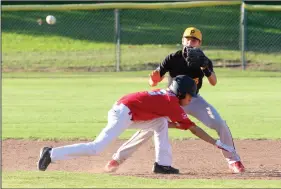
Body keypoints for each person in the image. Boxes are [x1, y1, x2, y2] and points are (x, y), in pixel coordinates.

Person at [107, 27, 245, 174]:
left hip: (194, 99)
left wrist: (206, 67)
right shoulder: (173, 58)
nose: (190, 42)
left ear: (199, 43)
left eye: (194, 40)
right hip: (171, 102)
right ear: (182, 40)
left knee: (219, 123)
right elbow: (154, 80)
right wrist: (152, 80)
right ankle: (117, 159)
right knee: (147, 129)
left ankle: (233, 160)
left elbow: (213, 81)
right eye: (187, 39)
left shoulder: (203, 60)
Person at [37, 75, 233, 174]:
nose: (191, 100)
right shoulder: (171, 103)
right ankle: (51, 154)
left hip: (128, 111)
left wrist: (180, 126)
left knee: (160, 123)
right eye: (191, 96)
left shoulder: (169, 98)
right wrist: (216, 142)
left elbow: (173, 124)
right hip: (123, 113)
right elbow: (193, 128)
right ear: (181, 93)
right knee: (96, 148)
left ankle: (162, 165)